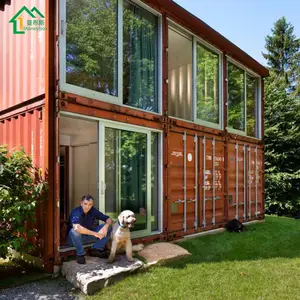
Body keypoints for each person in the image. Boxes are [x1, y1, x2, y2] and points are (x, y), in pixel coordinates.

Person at [67, 194, 113, 264]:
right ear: (81, 203)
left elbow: (109, 219)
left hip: (87, 237)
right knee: (74, 231)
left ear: (92, 205)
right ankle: (80, 254)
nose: (87, 206)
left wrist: (106, 227)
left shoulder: (92, 210)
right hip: (74, 240)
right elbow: (77, 228)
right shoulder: (76, 212)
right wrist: (96, 234)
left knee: (109, 227)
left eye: (90, 204)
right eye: (85, 204)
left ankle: (96, 249)